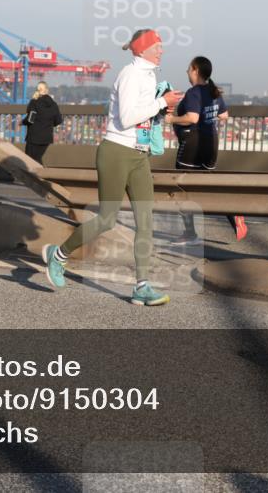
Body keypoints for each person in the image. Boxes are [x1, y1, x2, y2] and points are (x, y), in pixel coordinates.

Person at [41, 29, 184, 307]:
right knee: (107, 218)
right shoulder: (130, 74)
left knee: (146, 221)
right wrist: (161, 102)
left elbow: (142, 115)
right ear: (143, 49)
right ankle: (59, 255)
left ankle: (142, 286)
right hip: (116, 152)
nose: (162, 51)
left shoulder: (149, 76)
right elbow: (128, 117)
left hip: (139, 155)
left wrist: (162, 108)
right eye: (158, 46)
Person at [166, 56, 248, 244]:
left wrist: (172, 120)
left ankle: (190, 234)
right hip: (211, 143)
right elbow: (224, 115)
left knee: (181, 187)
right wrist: (207, 118)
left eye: (189, 68)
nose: (187, 72)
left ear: (196, 70)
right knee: (208, 185)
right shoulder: (213, 91)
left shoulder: (194, 92)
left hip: (193, 145)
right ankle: (233, 212)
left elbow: (192, 118)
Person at [22, 81, 63, 165]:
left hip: (33, 137)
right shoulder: (54, 104)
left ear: (37, 90)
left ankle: (38, 173)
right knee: (37, 158)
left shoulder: (34, 102)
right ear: (47, 90)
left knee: (29, 159)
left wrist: (22, 122)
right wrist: (48, 124)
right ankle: (41, 172)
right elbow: (58, 120)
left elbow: (30, 119)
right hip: (46, 138)